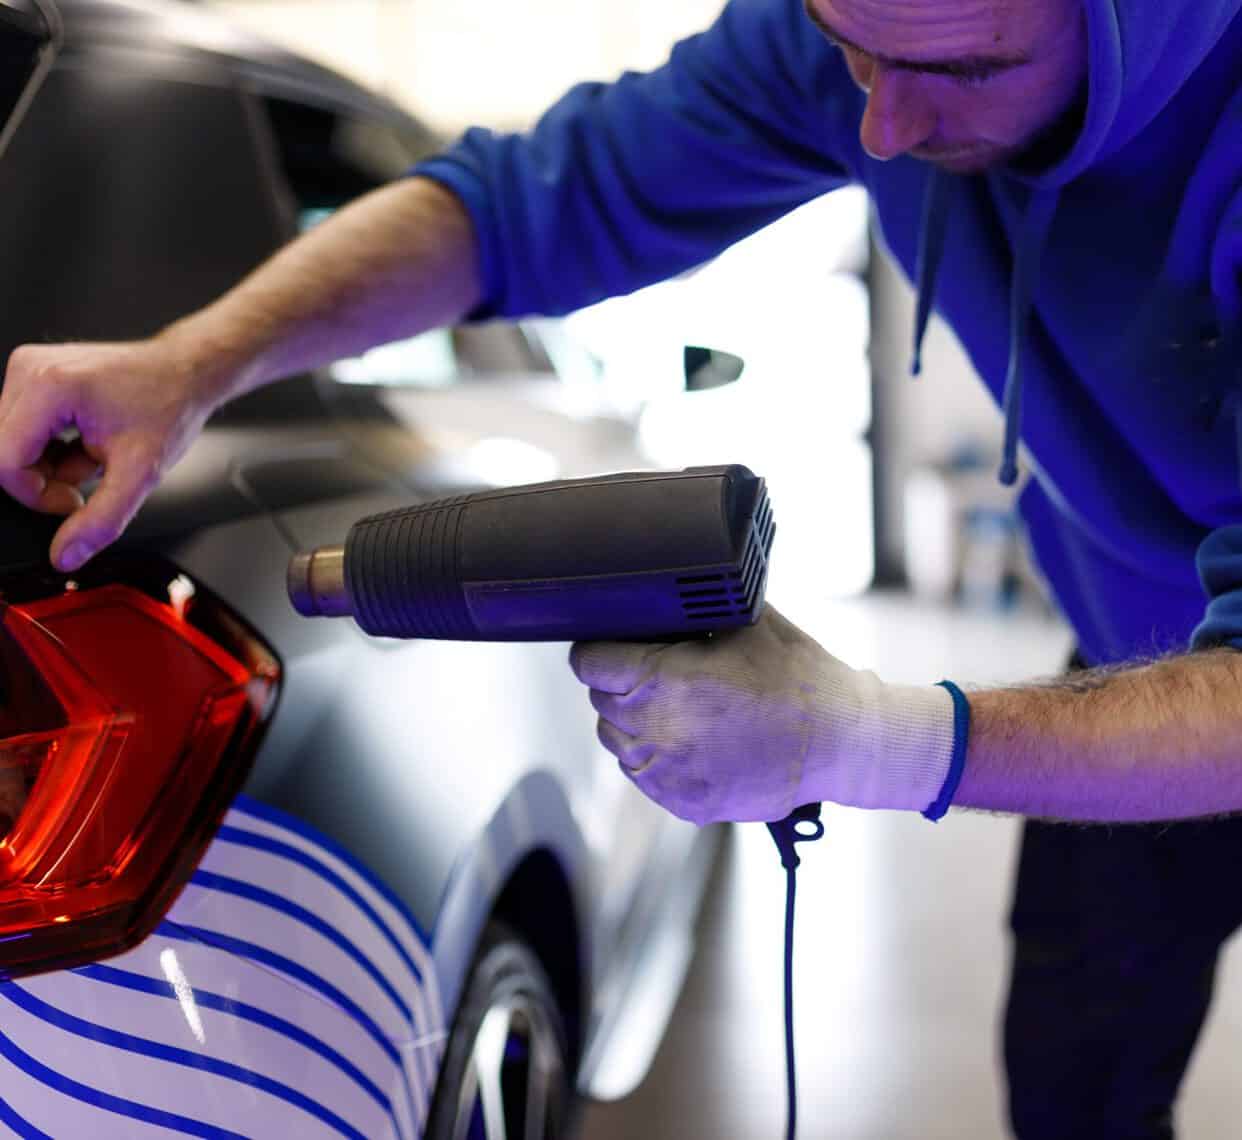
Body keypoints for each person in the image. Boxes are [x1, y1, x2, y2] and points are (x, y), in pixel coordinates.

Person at [1, 0, 1240, 1133]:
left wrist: (866, 736)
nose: (884, 127)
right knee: (1077, 1093)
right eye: (856, 53)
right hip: (1122, 641)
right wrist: (189, 365)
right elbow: (526, 204)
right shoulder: (876, 30)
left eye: (964, 70)